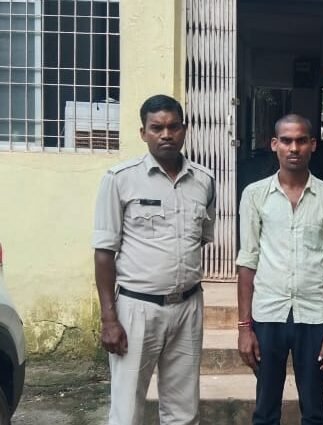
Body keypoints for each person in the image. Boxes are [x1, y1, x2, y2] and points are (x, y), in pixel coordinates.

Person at [93, 94, 215, 425]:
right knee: (127, 410)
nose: (166, 135)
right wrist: (109, 319)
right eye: (157, 128)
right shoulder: (119, 179)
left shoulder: (204, 181)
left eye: (173, 127)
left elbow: (200, 240)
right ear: (143, 132)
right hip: (137, 309)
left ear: (184, 130)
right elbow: (104, 253)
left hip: (188, 307)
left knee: (183, 411)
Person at [235, 114, 323, 425]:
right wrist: (244, 328)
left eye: (301, 140)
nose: (293, 148)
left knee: (315, 412)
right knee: (265, 411)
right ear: (274, 144)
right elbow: (247, 261)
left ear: (313, 144)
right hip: (268, 314)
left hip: (314, 317)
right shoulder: (255, 194)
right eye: (286, 140)